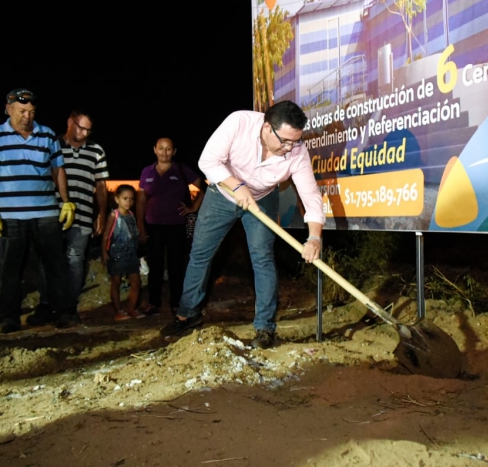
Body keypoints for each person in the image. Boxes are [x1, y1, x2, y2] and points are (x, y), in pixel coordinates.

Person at [161, 100, 325, 349]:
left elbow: (310, 196)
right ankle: (188, 314)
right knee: (200, 254)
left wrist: (314, 237)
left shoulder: (297, 152)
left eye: (296, 141)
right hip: (222, 195)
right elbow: (208, 161)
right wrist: (237, 187)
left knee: (262, 258)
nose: (290, 147)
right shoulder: (239, 122)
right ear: (268, 128)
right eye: (285, 141)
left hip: (263, 198)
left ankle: (265, 327)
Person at [0, 88, 78, 333]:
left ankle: (63, 313)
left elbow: (58, 170)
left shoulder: (47, 135)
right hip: (10, 214)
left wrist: (65, 201)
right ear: (8, 109)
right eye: (22, 111)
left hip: (45, 211)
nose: (27, 116)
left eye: (32, 111)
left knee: (55, 265)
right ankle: (8, 318)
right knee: (11, 269)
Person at [36, 109, 109, 316]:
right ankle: (46, 303)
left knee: (75, 259)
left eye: (88, 130)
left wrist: (101, 213)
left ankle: (68, 306)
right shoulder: (54, 145)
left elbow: (101, 184)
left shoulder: (96, 150)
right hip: (53, 212)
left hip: (84, 213)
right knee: (49, 258)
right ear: (70, 122)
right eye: (81, 127)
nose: (85, 133)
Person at [137, 137, 204, 315]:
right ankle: (154, 303)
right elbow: (141, 200)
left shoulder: (181, 170)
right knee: (155, 266)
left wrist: (192, 208)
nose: (164, 152)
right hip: (153, 225)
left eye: (168, 149)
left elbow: (202, 188)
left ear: (174, 151)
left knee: (176, 266)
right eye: (161, 148)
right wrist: (140, 225)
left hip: (176, 225)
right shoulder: (147, 172)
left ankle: (176, 303)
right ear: (155, 150)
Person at [103, 185, 143, 321]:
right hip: (117, 255)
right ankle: (118, 311)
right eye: (125, 198)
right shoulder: (114, 215)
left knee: (136, 282)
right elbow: (106, 236)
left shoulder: (131, 215)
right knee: (116, 282)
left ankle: (130, 307)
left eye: (131, 199)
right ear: (117, 199)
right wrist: (104, 252)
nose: (128, 202)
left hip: (131, 254)